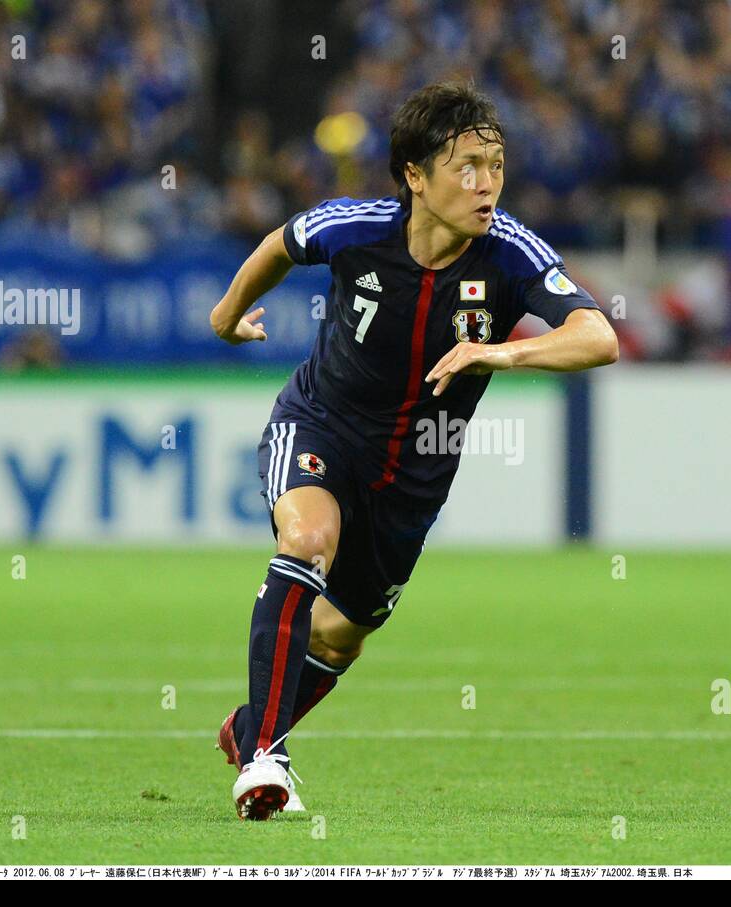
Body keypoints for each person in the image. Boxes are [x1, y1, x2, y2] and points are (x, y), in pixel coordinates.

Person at [207, 80, 619, 820]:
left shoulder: (510, 253)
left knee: (341, 637)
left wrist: (499, 354)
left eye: (494, 165)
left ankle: (251, 729)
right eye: (465, 166)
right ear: (415, 177)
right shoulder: (356, 228)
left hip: (414, 478)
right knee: (307, 539)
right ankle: (267, 759)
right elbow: (280, 244)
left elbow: (599, 336)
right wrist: (227, 315)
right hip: (320, 426)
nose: (485, 183)